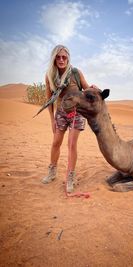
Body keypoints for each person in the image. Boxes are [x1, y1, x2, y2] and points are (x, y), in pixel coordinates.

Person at [42, 45, 97, 193]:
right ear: (54, 58)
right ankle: (52, 172)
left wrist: (93, 88)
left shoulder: (75, 73)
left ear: (68, 58)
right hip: (60, 113)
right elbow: (49, 101)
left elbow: (86, 88)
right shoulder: (49, 76)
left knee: (71, 144)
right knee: (55, 143)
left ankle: (70, 177)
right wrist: (52, 120)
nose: (61, 60)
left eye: (64, 57)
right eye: (58, 57)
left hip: (76, 113)